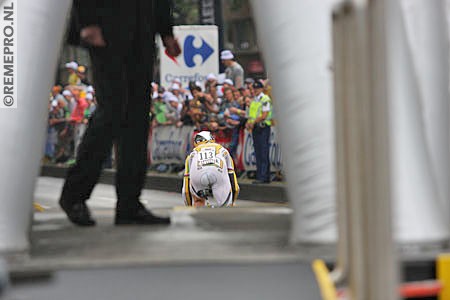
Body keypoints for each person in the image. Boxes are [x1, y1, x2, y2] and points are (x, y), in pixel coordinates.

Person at [59, 0, 181, 226]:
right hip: (107, 27)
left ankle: (129, 204)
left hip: (142, 30)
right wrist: (88, 22)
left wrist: (166, 31)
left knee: (137, 119)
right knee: (112, 112)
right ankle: (74, 195)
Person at [182, 131, 239, 207]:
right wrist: (232, 201)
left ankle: (198, 214)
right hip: (218, 173)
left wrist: (188, 206)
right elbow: (233, 182)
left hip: (198, 175)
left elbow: (186, 190)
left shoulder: (192, 155)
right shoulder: (223, 150)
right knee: (225, 206)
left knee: (198, 200)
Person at [246, 81, 273, 184]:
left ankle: (264, 176)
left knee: (263, 151)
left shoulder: (265, 99)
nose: (255, 90)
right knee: (258, 152)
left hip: (263, 127)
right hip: (255, 128)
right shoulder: (254, 100)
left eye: (257, 89)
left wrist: (253, 122)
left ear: (261, 89)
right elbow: (251, 114)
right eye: (254, 89)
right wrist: (249, 122)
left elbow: (264, 115)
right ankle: (260, 175)